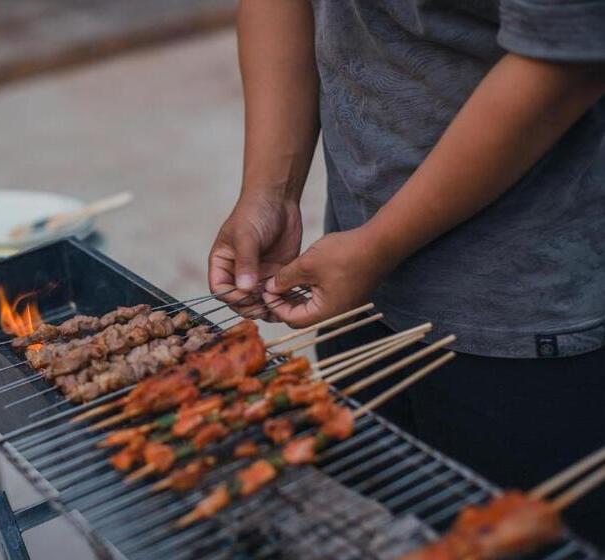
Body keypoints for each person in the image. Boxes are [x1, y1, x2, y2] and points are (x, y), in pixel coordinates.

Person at [208, 0, 605, 546]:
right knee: (394, 524)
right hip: (358, 277)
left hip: (527, 310)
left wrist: (377, 246)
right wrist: (269, 191)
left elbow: (565, 57)